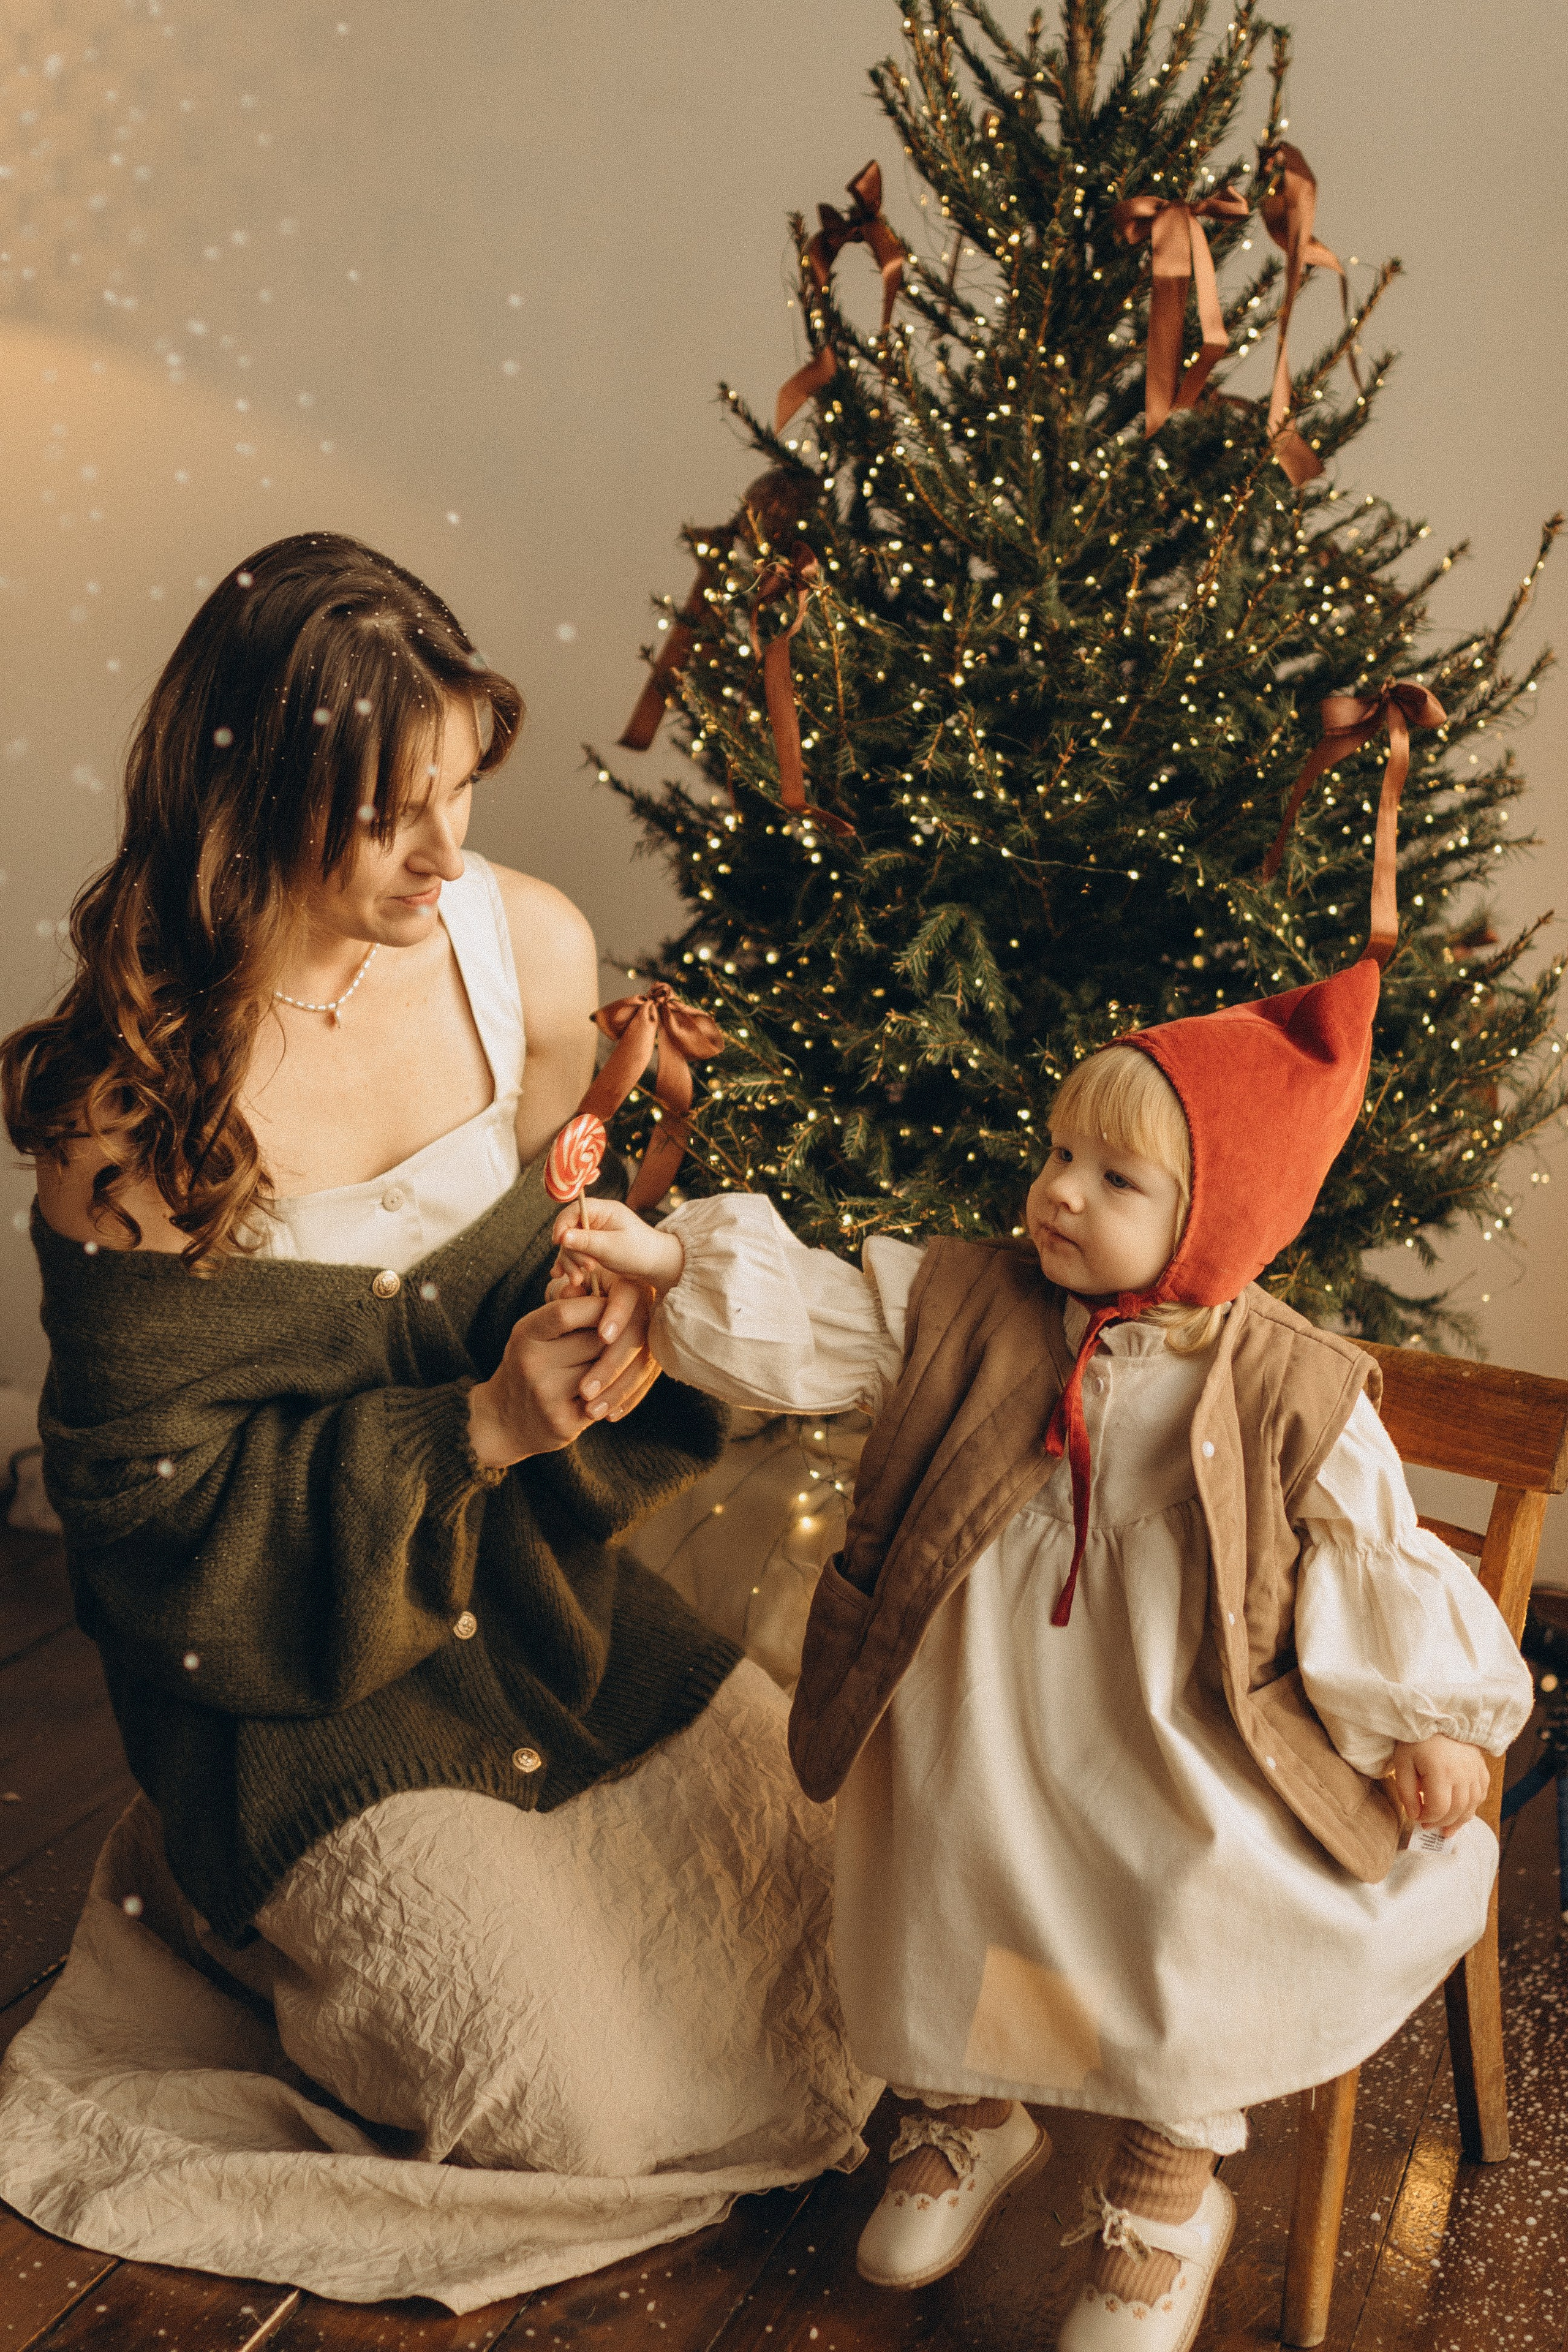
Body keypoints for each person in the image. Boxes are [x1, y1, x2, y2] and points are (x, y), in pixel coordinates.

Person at [0, 533, 876, 2309]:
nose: (441, 853)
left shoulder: (525, 949)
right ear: (245, 798)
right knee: (564, 2102)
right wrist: (469, 1431)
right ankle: (236, 1913)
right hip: (289, 1694)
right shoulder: (129, 1115)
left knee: (849, 1939)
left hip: (539, 1618)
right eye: (384, 812)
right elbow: (152, 1552)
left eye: (461, 790)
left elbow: (537, 1268)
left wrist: (605, 1313)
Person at [548, 940, 1535, 2351]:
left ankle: (1162, 2197)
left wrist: (1433, 1714)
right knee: (960, 1875)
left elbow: (1371, 1550)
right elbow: (828, 1316)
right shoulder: (970, 1301)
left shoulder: (1284, 1381)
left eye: (1114, 1179)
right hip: (981, 1703)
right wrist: (667, 1256)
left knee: (1178, 1921)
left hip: (1180, 1724)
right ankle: (964, 2113)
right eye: (1059, 1151)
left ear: (1217, 1215)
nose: (1058, 1191)